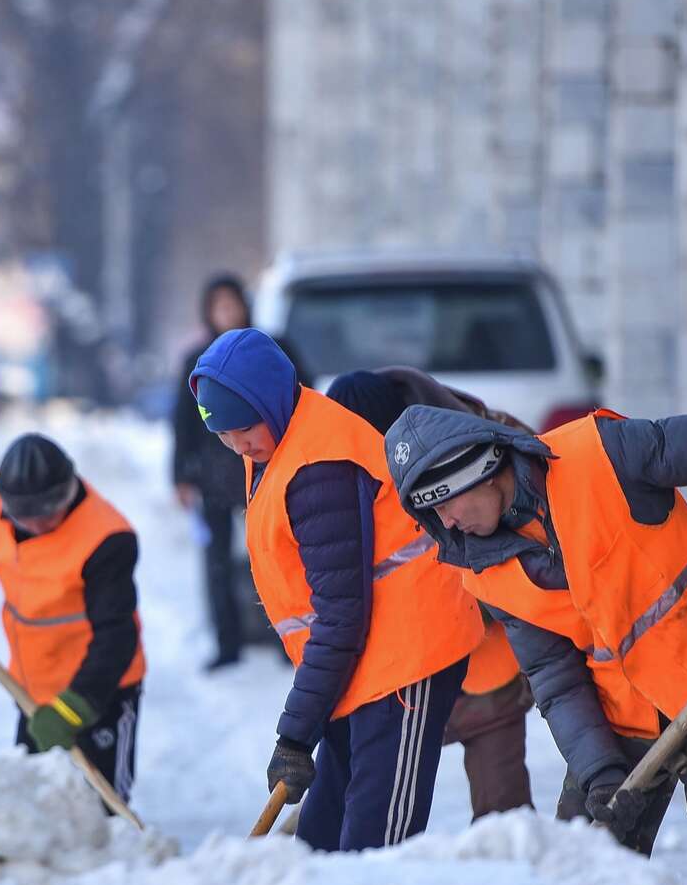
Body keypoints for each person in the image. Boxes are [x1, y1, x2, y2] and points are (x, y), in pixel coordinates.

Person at [382, 404, 687, 885]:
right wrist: (598, 772)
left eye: (445, 505)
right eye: (432, 516)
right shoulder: (486, 571)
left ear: (477, 467)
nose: (446, 524)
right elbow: (554, 678)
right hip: (622, 726)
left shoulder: (601, 456)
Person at [192, 329, 483, 850]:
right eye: (224, 434)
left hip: (406, 659)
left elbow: (340, 613)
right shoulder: (281, 441)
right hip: (360, 661)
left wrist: (296, 733)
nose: (239, 445)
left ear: (269, 399)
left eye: (243, 427)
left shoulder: (317, 467)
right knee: (324, 832)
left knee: (376, 846)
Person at [325, 369, 535, 819]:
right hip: (399, 676)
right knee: (367, 802)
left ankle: (509, 884)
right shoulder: (338, 472)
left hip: (484, 662)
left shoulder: (475, 444)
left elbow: (535, 535)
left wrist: (480, 601)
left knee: (504, 816)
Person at [0, 434, 145, 800]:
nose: (39, 526)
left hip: (100, 694)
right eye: (27, 517)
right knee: (33, 804)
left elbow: (116, 638)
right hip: (31, 690)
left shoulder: (107, 539)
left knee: (102, 808)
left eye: (51, 513)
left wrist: (75, 708)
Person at [171, 274, 255, 670]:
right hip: (215, 474)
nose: (227, 312)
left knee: (279, 553)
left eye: (232, 303)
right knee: (217, 562)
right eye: (218, 305)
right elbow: (182, 423)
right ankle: (228, 643)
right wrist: (181, 476)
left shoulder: (269, 349)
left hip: (265, 470)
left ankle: (289, 634)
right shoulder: (196, 361)